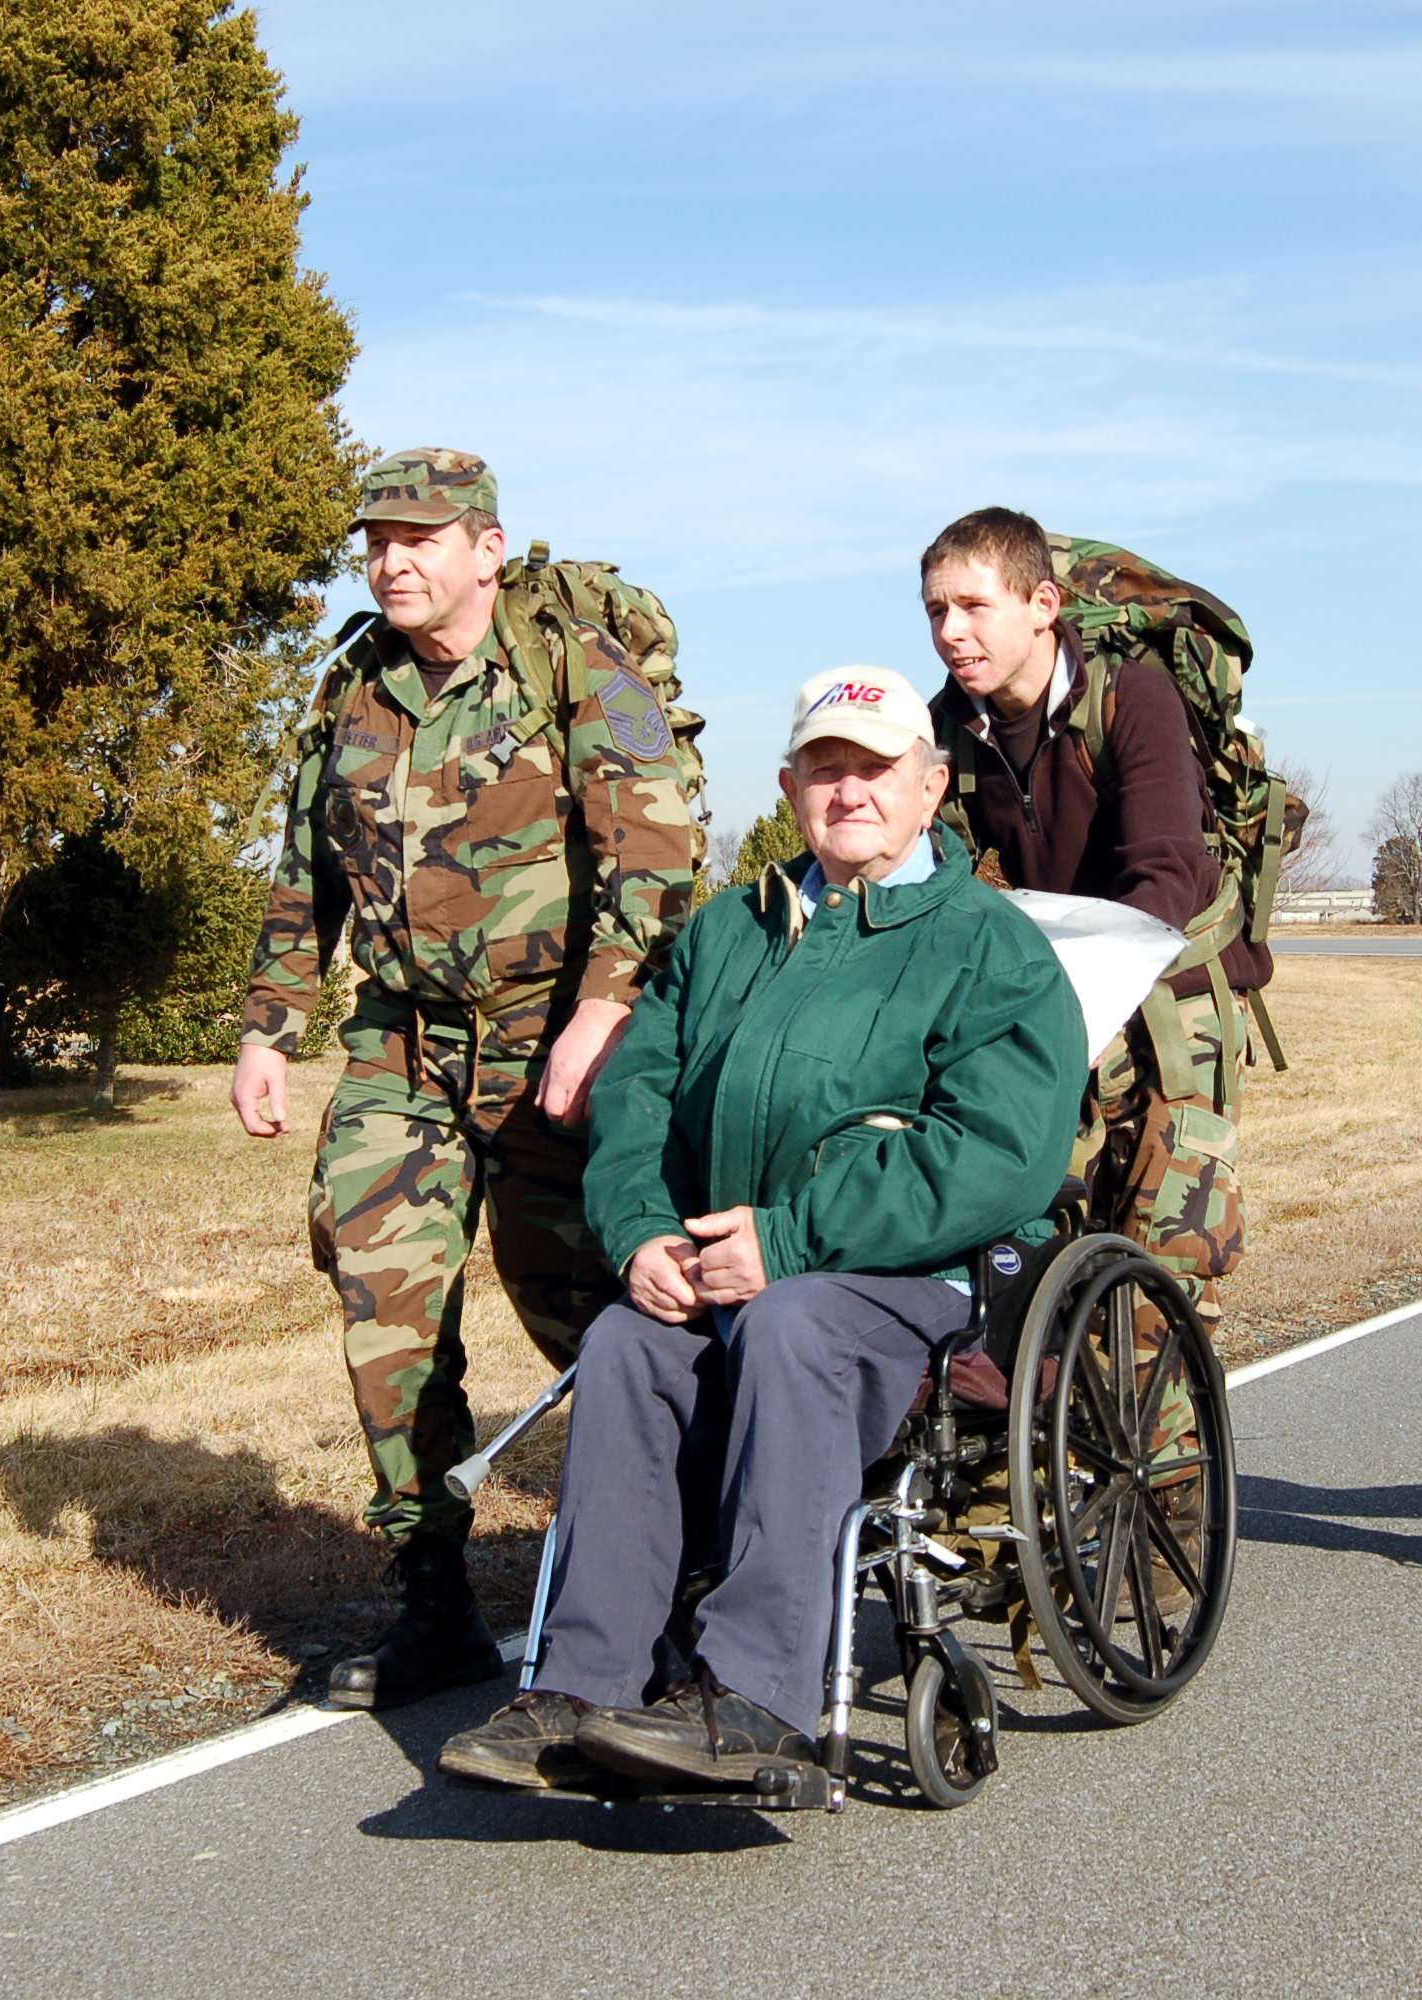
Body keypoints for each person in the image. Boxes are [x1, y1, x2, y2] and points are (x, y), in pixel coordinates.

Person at [437, 670, 1084, 1791]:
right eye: (825, 768)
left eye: (876, 767)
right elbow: (640, 1098)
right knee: (627, 1342)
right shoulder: (727, 931)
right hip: (724, 1261)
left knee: (794, 1323)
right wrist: (644, 1235)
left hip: (918, 1280)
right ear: (789, 788)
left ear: (931, 788)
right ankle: (582, 1684)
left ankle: (757, 1695)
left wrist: (787, 1242)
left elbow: (998, 1154)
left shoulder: (991, 946)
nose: (849, 791)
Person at [233, 448, 704, 1711]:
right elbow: (305, 864)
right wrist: (269, 1026)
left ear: (485, 550)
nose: (391, 561)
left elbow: (653, 854)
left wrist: (602, 1009)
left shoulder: (569, 668)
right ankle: (432, 1596)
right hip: (403, 1047)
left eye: (419, 538)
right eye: (376, 541)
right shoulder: (353, 684)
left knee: (604, 1315)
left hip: (556, 1043)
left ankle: (679, 1577)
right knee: (385, 1314)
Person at [918, 507, 1267, 1323]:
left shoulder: (1132, 696)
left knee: (1163, 1271)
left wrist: (1074, 1014)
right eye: (936, 610)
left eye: (974, 606)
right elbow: (935, 889)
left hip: (1176, 988)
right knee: (1029, 1260)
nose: (950, 632)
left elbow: (1164, 875)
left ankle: (1166, 1397)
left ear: (1043, 605)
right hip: (1063, 984)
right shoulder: (948, 731)